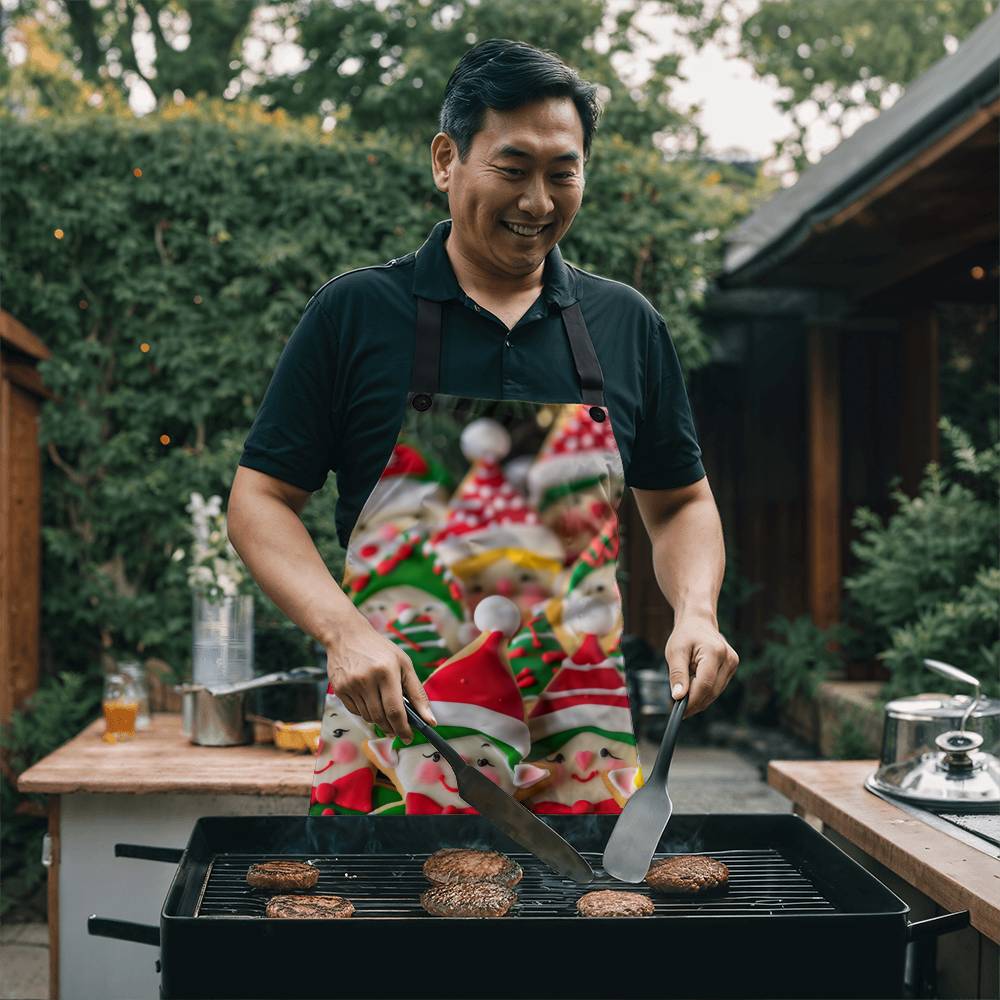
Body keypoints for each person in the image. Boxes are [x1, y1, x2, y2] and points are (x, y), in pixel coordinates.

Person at [228, 39, 739, 799]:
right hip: (396, 738)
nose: (538, 201)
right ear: (446, 160)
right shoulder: (357, 313)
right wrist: (344, 631)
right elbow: (259, 500)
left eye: (562, 173)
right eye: (513, 168)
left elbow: (681, 504)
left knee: (589, 913)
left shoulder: (625, 324)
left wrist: (697, 612)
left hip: (583, 754)